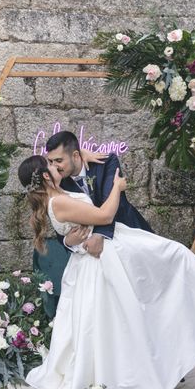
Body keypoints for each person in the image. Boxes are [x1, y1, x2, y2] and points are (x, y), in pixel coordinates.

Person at [16, 155, 195, 389]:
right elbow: (105, 216)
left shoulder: (60, 194)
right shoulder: (59, 201)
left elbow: (79, 205)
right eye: (51, 165)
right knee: (173, 258)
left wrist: (84, 153)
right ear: (44, 177)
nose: (57, 165)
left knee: (159, 275)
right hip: (101, 259)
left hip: (106, 250)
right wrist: (116, 187)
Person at [33, 131, 152, 318]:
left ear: (75, 156)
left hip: (127, 235)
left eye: (58, 161)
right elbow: (33, 171)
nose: (55, 166)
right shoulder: (58, 183)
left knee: (149, 292)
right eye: (51, 162)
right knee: (115, 310)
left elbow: (112, 204)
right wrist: (67, 241)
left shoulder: (106, 162)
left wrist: (99, 235)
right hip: (95, 257)